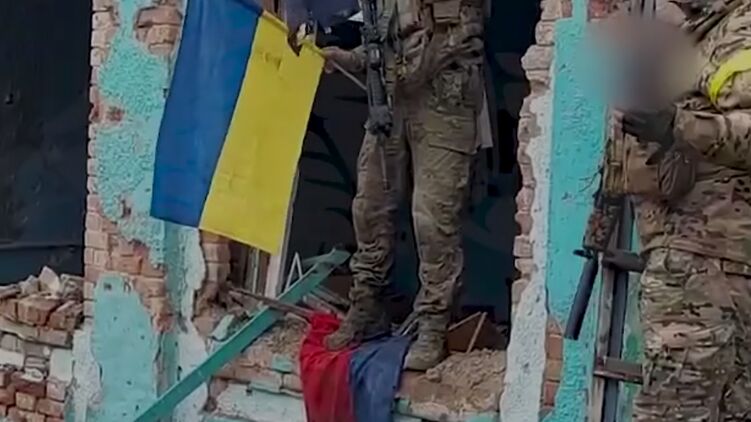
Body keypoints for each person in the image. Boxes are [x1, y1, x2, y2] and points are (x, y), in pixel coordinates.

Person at [319, 0, 485, 370]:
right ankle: (367, 308)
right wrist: (351, 59)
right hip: (392, 101)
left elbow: (463, 33)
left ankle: (433, 326)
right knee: (370, 207)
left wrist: (402, 72)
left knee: (433, 218)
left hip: (444, 99)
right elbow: (383, 43)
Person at [617, 0, 751, 418]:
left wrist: (679, 125)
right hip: (694, 257)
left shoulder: (740, 27)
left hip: (708, 262)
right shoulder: (700, 29)